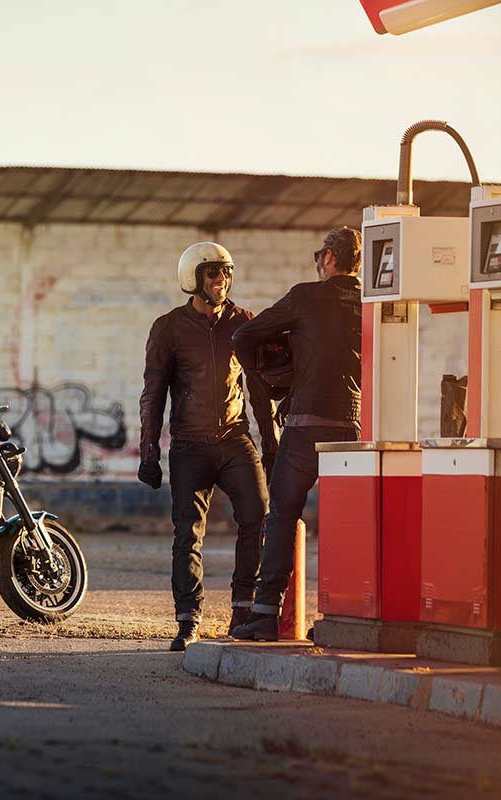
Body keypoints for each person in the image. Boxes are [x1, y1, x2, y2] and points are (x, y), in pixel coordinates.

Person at [139, 242, 278, 651]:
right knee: (187, 535)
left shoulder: (244, 323)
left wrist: (271, 444)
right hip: (189, 446)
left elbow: (260, 390)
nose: (222, 281)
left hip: (236, 440)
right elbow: (153, 393)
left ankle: (243, 609)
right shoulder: (168, 328)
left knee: (258, 517)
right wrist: (149, 451)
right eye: (214, 274)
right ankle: (188, 620)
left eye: (227, 273)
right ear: (194, 280)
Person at [229, 227, 363, 641]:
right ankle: (351, 613)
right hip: (353, 429)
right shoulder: (371, 300)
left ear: (327, 259)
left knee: (283, 514)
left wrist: (271, 380)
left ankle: (266, 615)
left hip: (305, 426)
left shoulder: (306, 296)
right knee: (350, 523)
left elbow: (244, 335)